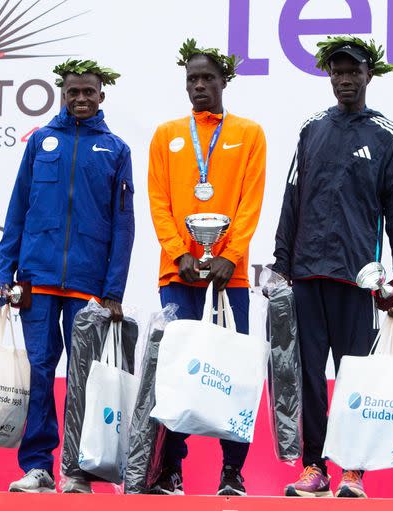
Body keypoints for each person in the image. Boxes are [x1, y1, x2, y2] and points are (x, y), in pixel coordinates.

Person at [272, 36, 393, 499]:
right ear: (328, 76)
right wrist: (279, 264)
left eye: (353, 71)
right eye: (337, 71)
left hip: (359, 279)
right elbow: (291, 198)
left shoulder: (386, 135)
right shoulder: (311, 129)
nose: (345, 79)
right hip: (307, 273)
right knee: (309, 377)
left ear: (368, 75)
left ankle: (353, 470)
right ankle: (314, 468)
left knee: (356, 379)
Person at [0, 59, 135, 494]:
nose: (80, 99)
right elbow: (18, 207)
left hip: (88, 287)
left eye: (88, 92)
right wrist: (5, 271)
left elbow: (123, 225)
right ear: (62, 93)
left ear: (101, 96)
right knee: (38, 372)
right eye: (72, 91)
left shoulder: (115, 149)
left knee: (83, 377)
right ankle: (38, 466)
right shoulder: (40, 142)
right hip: (35, 280)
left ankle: (78, 469)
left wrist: (113, 290)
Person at [147, 38, 266, 496]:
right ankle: (171, 471)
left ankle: (232, 473)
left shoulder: (249, 133)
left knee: (229, 370)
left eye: (208, 78)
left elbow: (249, 201)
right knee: (176, 371)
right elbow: (159, 201)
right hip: (178, 274)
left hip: (228, 275)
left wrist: (229, 256)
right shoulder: (166, 134)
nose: (199, 86)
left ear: (224, 81)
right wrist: (180, 252)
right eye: (192, 79)